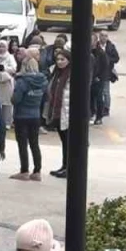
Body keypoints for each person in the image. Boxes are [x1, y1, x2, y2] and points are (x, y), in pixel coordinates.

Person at [11, 56, 47, 181]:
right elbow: (47, 97)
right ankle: (37, 171)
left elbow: (15, 100)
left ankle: (24, 170)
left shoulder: (22, 82)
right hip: (35, 115)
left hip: (21, 115)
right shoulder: (43, 81)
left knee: (22, 144)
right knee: (34, 143)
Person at [45, 50, 72, 178]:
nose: (60, 62)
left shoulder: (71, 74)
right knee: (63, 140)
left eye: (63, 59)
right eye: (58, 59)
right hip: (58, 111)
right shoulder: (56, 73)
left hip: (67, 111)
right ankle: (64, 165)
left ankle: (69, 168)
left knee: (68, 141)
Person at [98, 29, 120, 117]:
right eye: (102, 35)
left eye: (105, 36)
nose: (103, 37)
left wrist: (108, 60)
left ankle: (106, 108)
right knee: (98, 91)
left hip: (106, 72)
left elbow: (116, 58)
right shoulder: (96, 45)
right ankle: (98, 108)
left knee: (106, 91)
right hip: (98, 71)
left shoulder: (111, 46)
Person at [91, 33, 111, 125]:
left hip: (98, 80)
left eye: (91, 40)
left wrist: (99, 77)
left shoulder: (101, 53)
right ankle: (91, 113)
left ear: (95, 41)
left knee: (99, 98)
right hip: (89, 79)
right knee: (89, 98)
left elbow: (105, 67)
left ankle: (99, 116)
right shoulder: (85, 51)